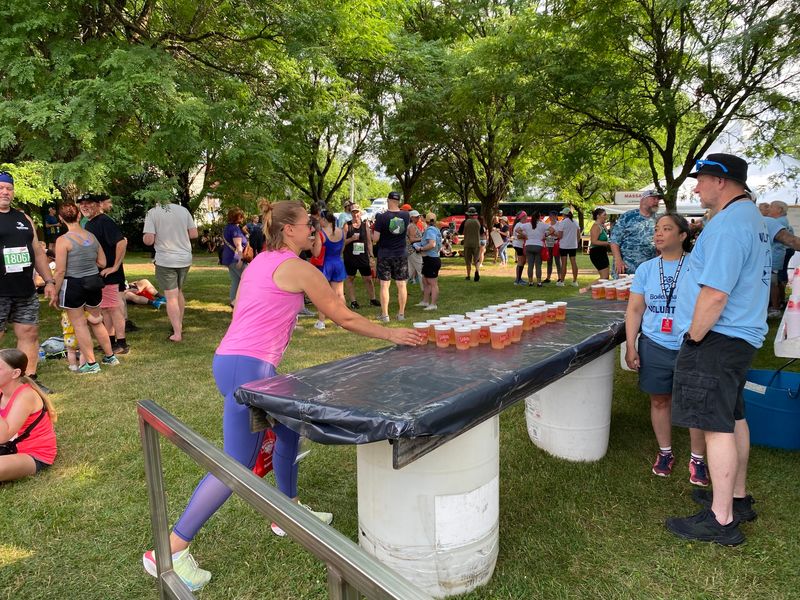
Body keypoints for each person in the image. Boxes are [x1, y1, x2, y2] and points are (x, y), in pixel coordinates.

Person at [141, 200, 425, 591]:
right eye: (309, 225)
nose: (316, 231)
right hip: (250, 370)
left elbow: (242, 306)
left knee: (290, 426)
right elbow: (342, 315)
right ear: (288, 229)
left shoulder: (260, 260)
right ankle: (170, 549)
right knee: (236, 464)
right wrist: (393, 333)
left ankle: (286, 512)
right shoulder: (299, 269)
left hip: (232, 361)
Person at [665, 153, 770, 546]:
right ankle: (736, 498)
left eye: (701, 180)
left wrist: (694, 335)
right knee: (732, 417)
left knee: (714, 425)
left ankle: (721, 519)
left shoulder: (728, 224)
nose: (696, 187)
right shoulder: (751, 218)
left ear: (721, 181)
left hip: (718, 337)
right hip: (738, 336)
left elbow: (715, 293)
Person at [625, 213, 708, 485]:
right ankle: (665, 452)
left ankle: (698, 459)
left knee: (695, 402)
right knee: (659, 399)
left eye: (667, 229)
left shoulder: (698, 266)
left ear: (683, 235)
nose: (659, 233)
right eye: (657, 229)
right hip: (654, 343)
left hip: (690, 344)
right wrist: (631, 345)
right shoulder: (646, 268)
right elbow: (636, 308)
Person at [0, 172, 57, 392]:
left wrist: (49, 281)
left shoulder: (24, 219)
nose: (5, 192)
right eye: (1, 187)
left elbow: (38, 253)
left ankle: (28, 381)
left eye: (9, 188)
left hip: (25, 289)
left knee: (29, 334)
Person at [51, 202, 118, 373]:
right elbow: (102, 262)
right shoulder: (91, 237)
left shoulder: (62, 240)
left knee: (79, 324)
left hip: (73, 284)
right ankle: (110, 356)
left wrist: (54, 292)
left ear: (60, 219)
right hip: (93, 282)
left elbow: (60, 271)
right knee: (96, 320)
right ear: (79, 215)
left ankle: (91, 363)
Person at [80, 193, 129, 355]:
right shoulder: (89, 223)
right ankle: (110, 340)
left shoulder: (104, 221)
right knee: (106, 308)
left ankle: (122, 343)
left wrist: (115, 266)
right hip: (99, 274)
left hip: (110, 274)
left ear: (98, 204)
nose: (85, 206)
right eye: (82, 204)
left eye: (89, 203)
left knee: (114, 308)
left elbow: (121, 242)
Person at [143, 201, 198, 342]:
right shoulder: (183, 210)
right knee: (178, 291)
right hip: (185, 258)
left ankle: (177, 333)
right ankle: (178, 324)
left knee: (171, 296)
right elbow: (193, 234)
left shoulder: (152, 212)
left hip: (166, 259)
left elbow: (149, 240)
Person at [0, 349, 57, 482]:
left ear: (15, 373)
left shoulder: (25, 396)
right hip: (7, 447)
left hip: (32, 453)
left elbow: (3, 436)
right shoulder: (3, 390)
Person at [372, 191, 410, 322]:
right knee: (402, 285)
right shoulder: (406, 216)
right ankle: (401, 314)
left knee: (384, 285)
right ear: (399, 201)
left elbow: (375, 238)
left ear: (388, 200)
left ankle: (385, 315)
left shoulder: (382, 217)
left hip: (385, 254)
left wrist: (370, 234)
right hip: (401, 254)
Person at [609, 189, 661, 275]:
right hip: (627, 268)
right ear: (643, 200)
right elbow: (614, 240)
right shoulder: (628, 216)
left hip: (649, 268)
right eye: (654, 198)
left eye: (658, 199)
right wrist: (618, 260)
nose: (657, 201)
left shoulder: (658, 219)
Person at [313, 212, 346, 330]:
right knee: (339, 294)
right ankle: (341, 321)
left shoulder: (320, 233)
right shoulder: (341, 231)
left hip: (325, 264)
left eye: (320, 219)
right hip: (338, 263)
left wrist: (312, 246)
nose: (318, 222)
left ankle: (321, 322)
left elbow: (316, 253)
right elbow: (342, 248)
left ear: (324, 220)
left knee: (322, 294)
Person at [343, 205, 378, 310]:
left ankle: (373, 299)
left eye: (357, 212)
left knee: (368, 278)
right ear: (351, 213)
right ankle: (353, 301)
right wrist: (351, 239)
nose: (355, 214)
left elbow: (369, 242)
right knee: (350, 278)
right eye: (353, 212)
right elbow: (342, 242)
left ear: (360, 213)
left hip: (363, 257)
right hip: (350, 257)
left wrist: (371, 256)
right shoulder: (346, 225)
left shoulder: (364, 225)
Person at [765, 200, 793, 317]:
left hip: (775, 256)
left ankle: (776, 308)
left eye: (772, 207)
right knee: (776, 280)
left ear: (779, 210)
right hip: (776, 254)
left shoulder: (778, 222)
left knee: (773, 282)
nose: (769, 209)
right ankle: (779, 303)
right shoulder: (780, 221)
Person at [413, 212, 443, 311]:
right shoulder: (435, 229)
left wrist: (421, 248)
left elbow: (432, 244)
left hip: (431, 259)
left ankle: (433, 304)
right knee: (425, 280)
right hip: (429, 259)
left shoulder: (430, 230)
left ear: (426, 220)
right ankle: (425, 301)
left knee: (432, 283)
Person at [220, 208, 248, 308]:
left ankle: (234, 302)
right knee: (248, 279)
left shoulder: (228, 227)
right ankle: (239, 303)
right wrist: (241, 259)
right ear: (237, 217)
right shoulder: (235, 229)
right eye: (241, 216)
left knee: (236, 281)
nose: (243, 218)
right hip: (235, 258)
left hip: (229, 258)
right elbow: (238, 245)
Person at [519, 211, 551, 287]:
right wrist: (545, 235)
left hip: (528, 245)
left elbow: (517, 230)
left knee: (530, 265)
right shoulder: (543, 225)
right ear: (539, 217)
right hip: (538, 246)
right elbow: (552, 230)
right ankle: (539, 282)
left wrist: (525, 235)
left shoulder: (527, 225)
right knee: (538, 265)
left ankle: (530, 282)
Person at [554, 208, 580, 287]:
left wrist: (555, 234)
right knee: (573, 263)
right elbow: (578, 235)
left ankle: (562, 281)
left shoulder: (563, 223)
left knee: (564, 263)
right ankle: (575, 281)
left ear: (564, 214)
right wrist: (576, 242)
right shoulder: (575, 222)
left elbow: (560, 236)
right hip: (573, 245)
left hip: (564, 245)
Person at [459, 207, 482, 281]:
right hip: (476, 243)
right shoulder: (478, 222)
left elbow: (460, 232)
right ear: (474, 214)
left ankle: (468, 276)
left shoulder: (465, 222)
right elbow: (481, 232)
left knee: (468, 260)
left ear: (468, 214)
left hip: (467, 243)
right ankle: (477, 271)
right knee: (477, 259)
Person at [589, 208, 611, 279]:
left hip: (602, 252)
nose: (606, 217)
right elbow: (594, 241)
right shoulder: (596, 226)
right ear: (598, 216)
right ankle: (585, 289)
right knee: (604, 277)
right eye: (604, 215)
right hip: (597, 253)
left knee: (606, 277)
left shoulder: (601, 226)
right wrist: (608, 243)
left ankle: (595, 289)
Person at [406, 210, 424, 285]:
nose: (418, 218)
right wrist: (423, 238)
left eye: (418, 216)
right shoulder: (412, 226)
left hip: (411, 251)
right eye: (416, 217)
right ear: (412, 218)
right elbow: (412, 239)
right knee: (421, 271)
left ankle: (402, 288)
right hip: (414, 251)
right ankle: (425, 289)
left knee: (410, 271)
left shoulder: (413, 225)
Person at [511, 211, 528, 285]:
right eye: (526, 216)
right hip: (518, 245)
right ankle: (517, 280)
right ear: (522, 217)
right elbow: (518, 236)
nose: (527, 218)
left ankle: (519, 279)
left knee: (522, 261)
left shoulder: (520, 224)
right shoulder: (519, 225)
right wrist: (527, 235)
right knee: (521, 262)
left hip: (519, 245)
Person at [543, 211, 559, 282]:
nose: (551, 217)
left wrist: (552, 233)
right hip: (549, 243)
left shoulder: (559, 224)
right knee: (549, 261)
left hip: (556, 243)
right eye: (550, 216)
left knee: (558, 261)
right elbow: (545, 234)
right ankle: (548, 277)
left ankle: (560, 278)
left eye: (552, 216)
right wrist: (551, 233)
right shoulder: (547, 224)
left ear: (556, 216)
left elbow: (559, 234)